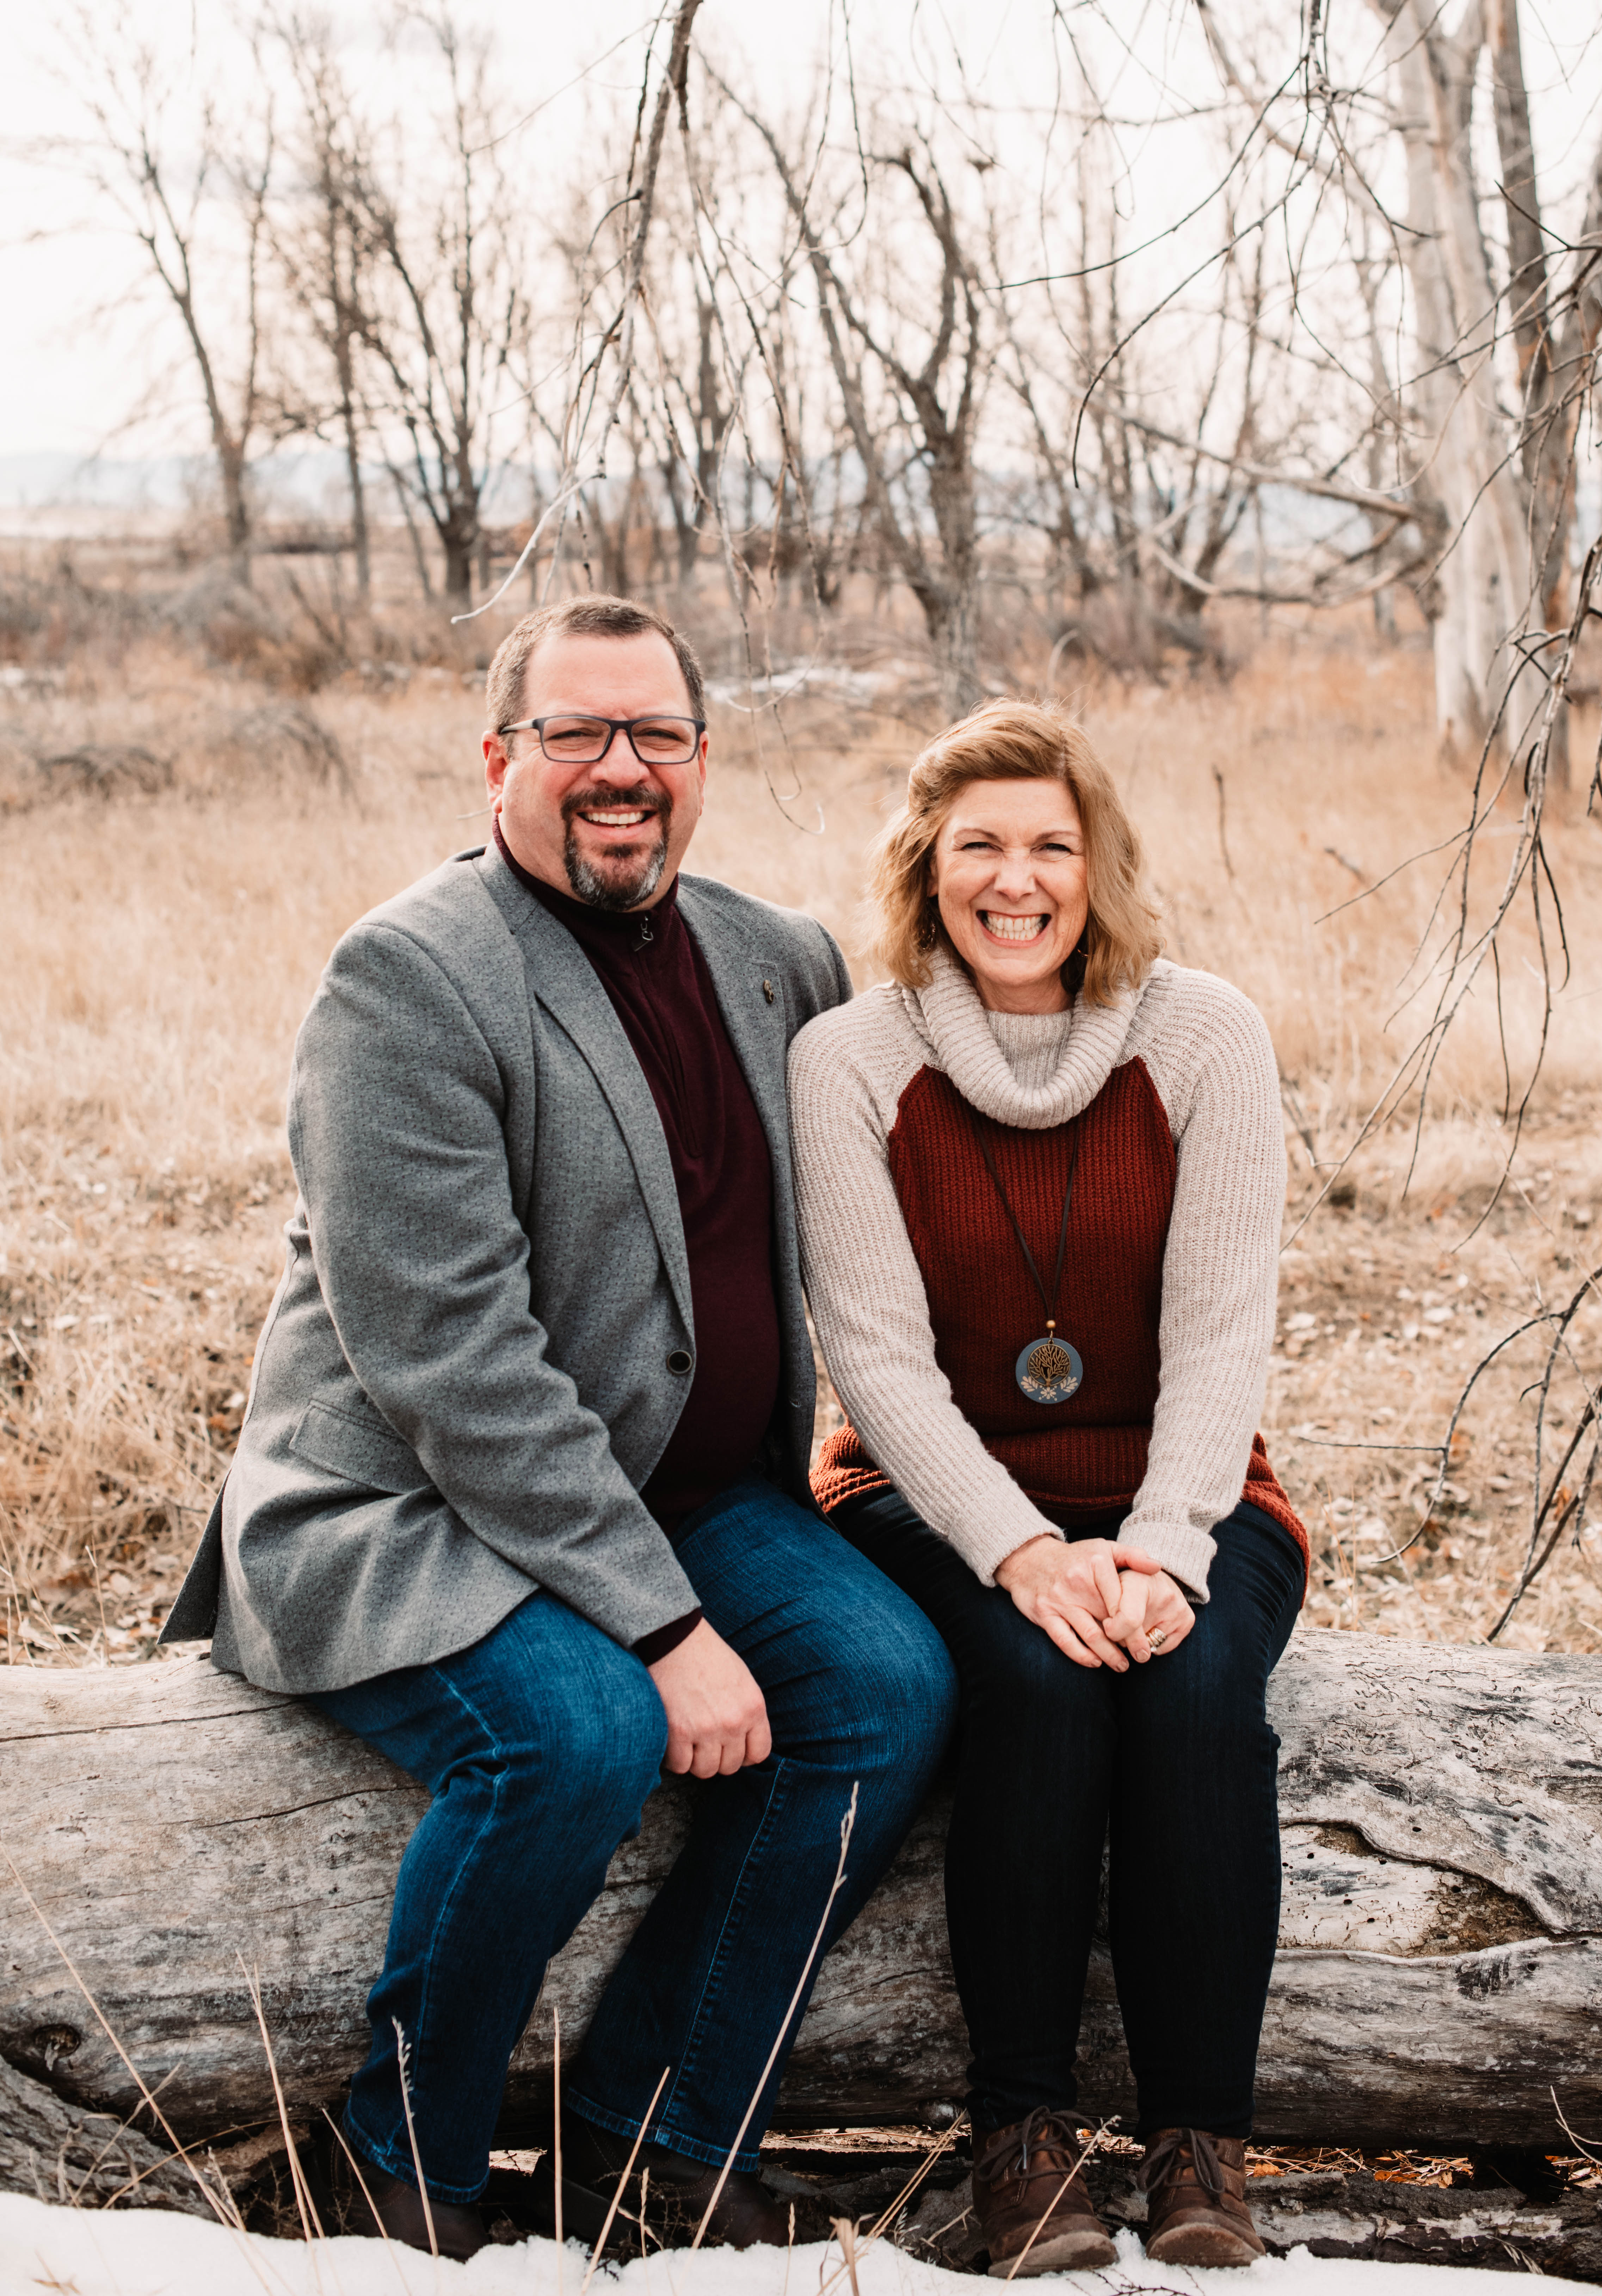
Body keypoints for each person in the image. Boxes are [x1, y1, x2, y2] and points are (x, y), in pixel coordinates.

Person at [161, 593, 957, 2260]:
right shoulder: (407, 979)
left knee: (886, 1684)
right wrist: (666, 1631)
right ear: (499, 757)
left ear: (702, 756)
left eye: (656, 733)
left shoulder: (781, 959)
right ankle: (399, 2167)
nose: (621, 769)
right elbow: (451, 1364)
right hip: (400, 1507)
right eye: (575, 731)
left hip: (683, 1491)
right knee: (581, 1731)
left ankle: (651, 2146)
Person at [788, 696, 1309, 2277]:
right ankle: (1022, 2138)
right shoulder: (849, 1059)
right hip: (925, 1490)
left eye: (1050, 847)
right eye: (978, 848)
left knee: (1192, 1687)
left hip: (1185, 1487)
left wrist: (1161, 1551)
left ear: (1099, 867)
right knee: (1036, 1678)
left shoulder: (1202, 1034)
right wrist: (1021, 1554)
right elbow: (875, 1358)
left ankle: (1200, 2144)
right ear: (924, 867)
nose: (1015, 882)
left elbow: (1222, 1330)